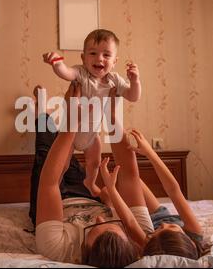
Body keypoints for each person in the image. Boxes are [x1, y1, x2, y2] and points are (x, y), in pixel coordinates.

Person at [30, 82, 153, 268]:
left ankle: (42, 113)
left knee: (45, 154)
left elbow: (50, 183)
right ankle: (52, 119)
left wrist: (71, 122)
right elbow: (129, 175)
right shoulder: (140, 235)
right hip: (88, 194)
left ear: (82, 255)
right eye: (112, 225)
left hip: (58, 203)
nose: (99, 218)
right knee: (66, 156)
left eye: (92, 229)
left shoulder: (58, 249)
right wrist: (111, 114)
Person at [42, 29, 141, 198]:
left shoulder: (114, 80)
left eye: (106, 55)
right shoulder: (81, 73)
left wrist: (135, 81)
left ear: (115, 61)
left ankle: (90, 182)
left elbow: (133, 97)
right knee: (63, 164)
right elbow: (66, 73)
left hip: (92, 135)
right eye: (93, 53)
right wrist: (57, 63)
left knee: (95, 162)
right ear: (83, 58)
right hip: (72, 134)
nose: (99, 58)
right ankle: (56, 185)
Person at [109, 128, 205, 259]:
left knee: (125, 175)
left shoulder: (149, 244)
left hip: (148, 226)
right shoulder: (195, 233)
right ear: (189, 242)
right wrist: (150, 153)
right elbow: (173, 190)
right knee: (131, 179)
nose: (164, 225)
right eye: (171, 227)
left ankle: (111, 117)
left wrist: (112, 190)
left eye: (161, 229)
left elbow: (130, 222)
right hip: (162, 213)